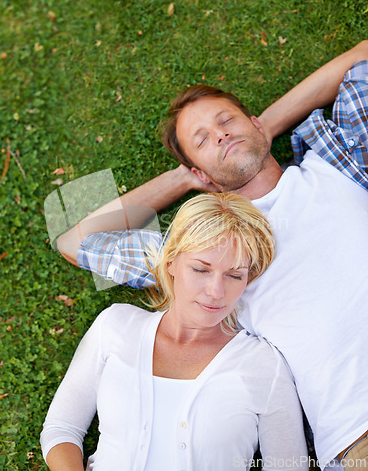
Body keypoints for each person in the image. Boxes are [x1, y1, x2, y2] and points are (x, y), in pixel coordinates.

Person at [56, 41, 368, 470]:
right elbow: (73, 239)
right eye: (203, 140)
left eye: (227, 121)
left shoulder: (337, 162)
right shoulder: (207, 252)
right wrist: (181, 181)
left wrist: (264, 129)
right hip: (357, 434)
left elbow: (362, 58)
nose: (220, 133)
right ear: (200, 172)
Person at [41, 193, 309, 470]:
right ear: (170, 263)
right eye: (200, 269)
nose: (216, 292)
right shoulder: (116, 326)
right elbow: (62, 428)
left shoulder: (264, 364)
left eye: (234, 275)